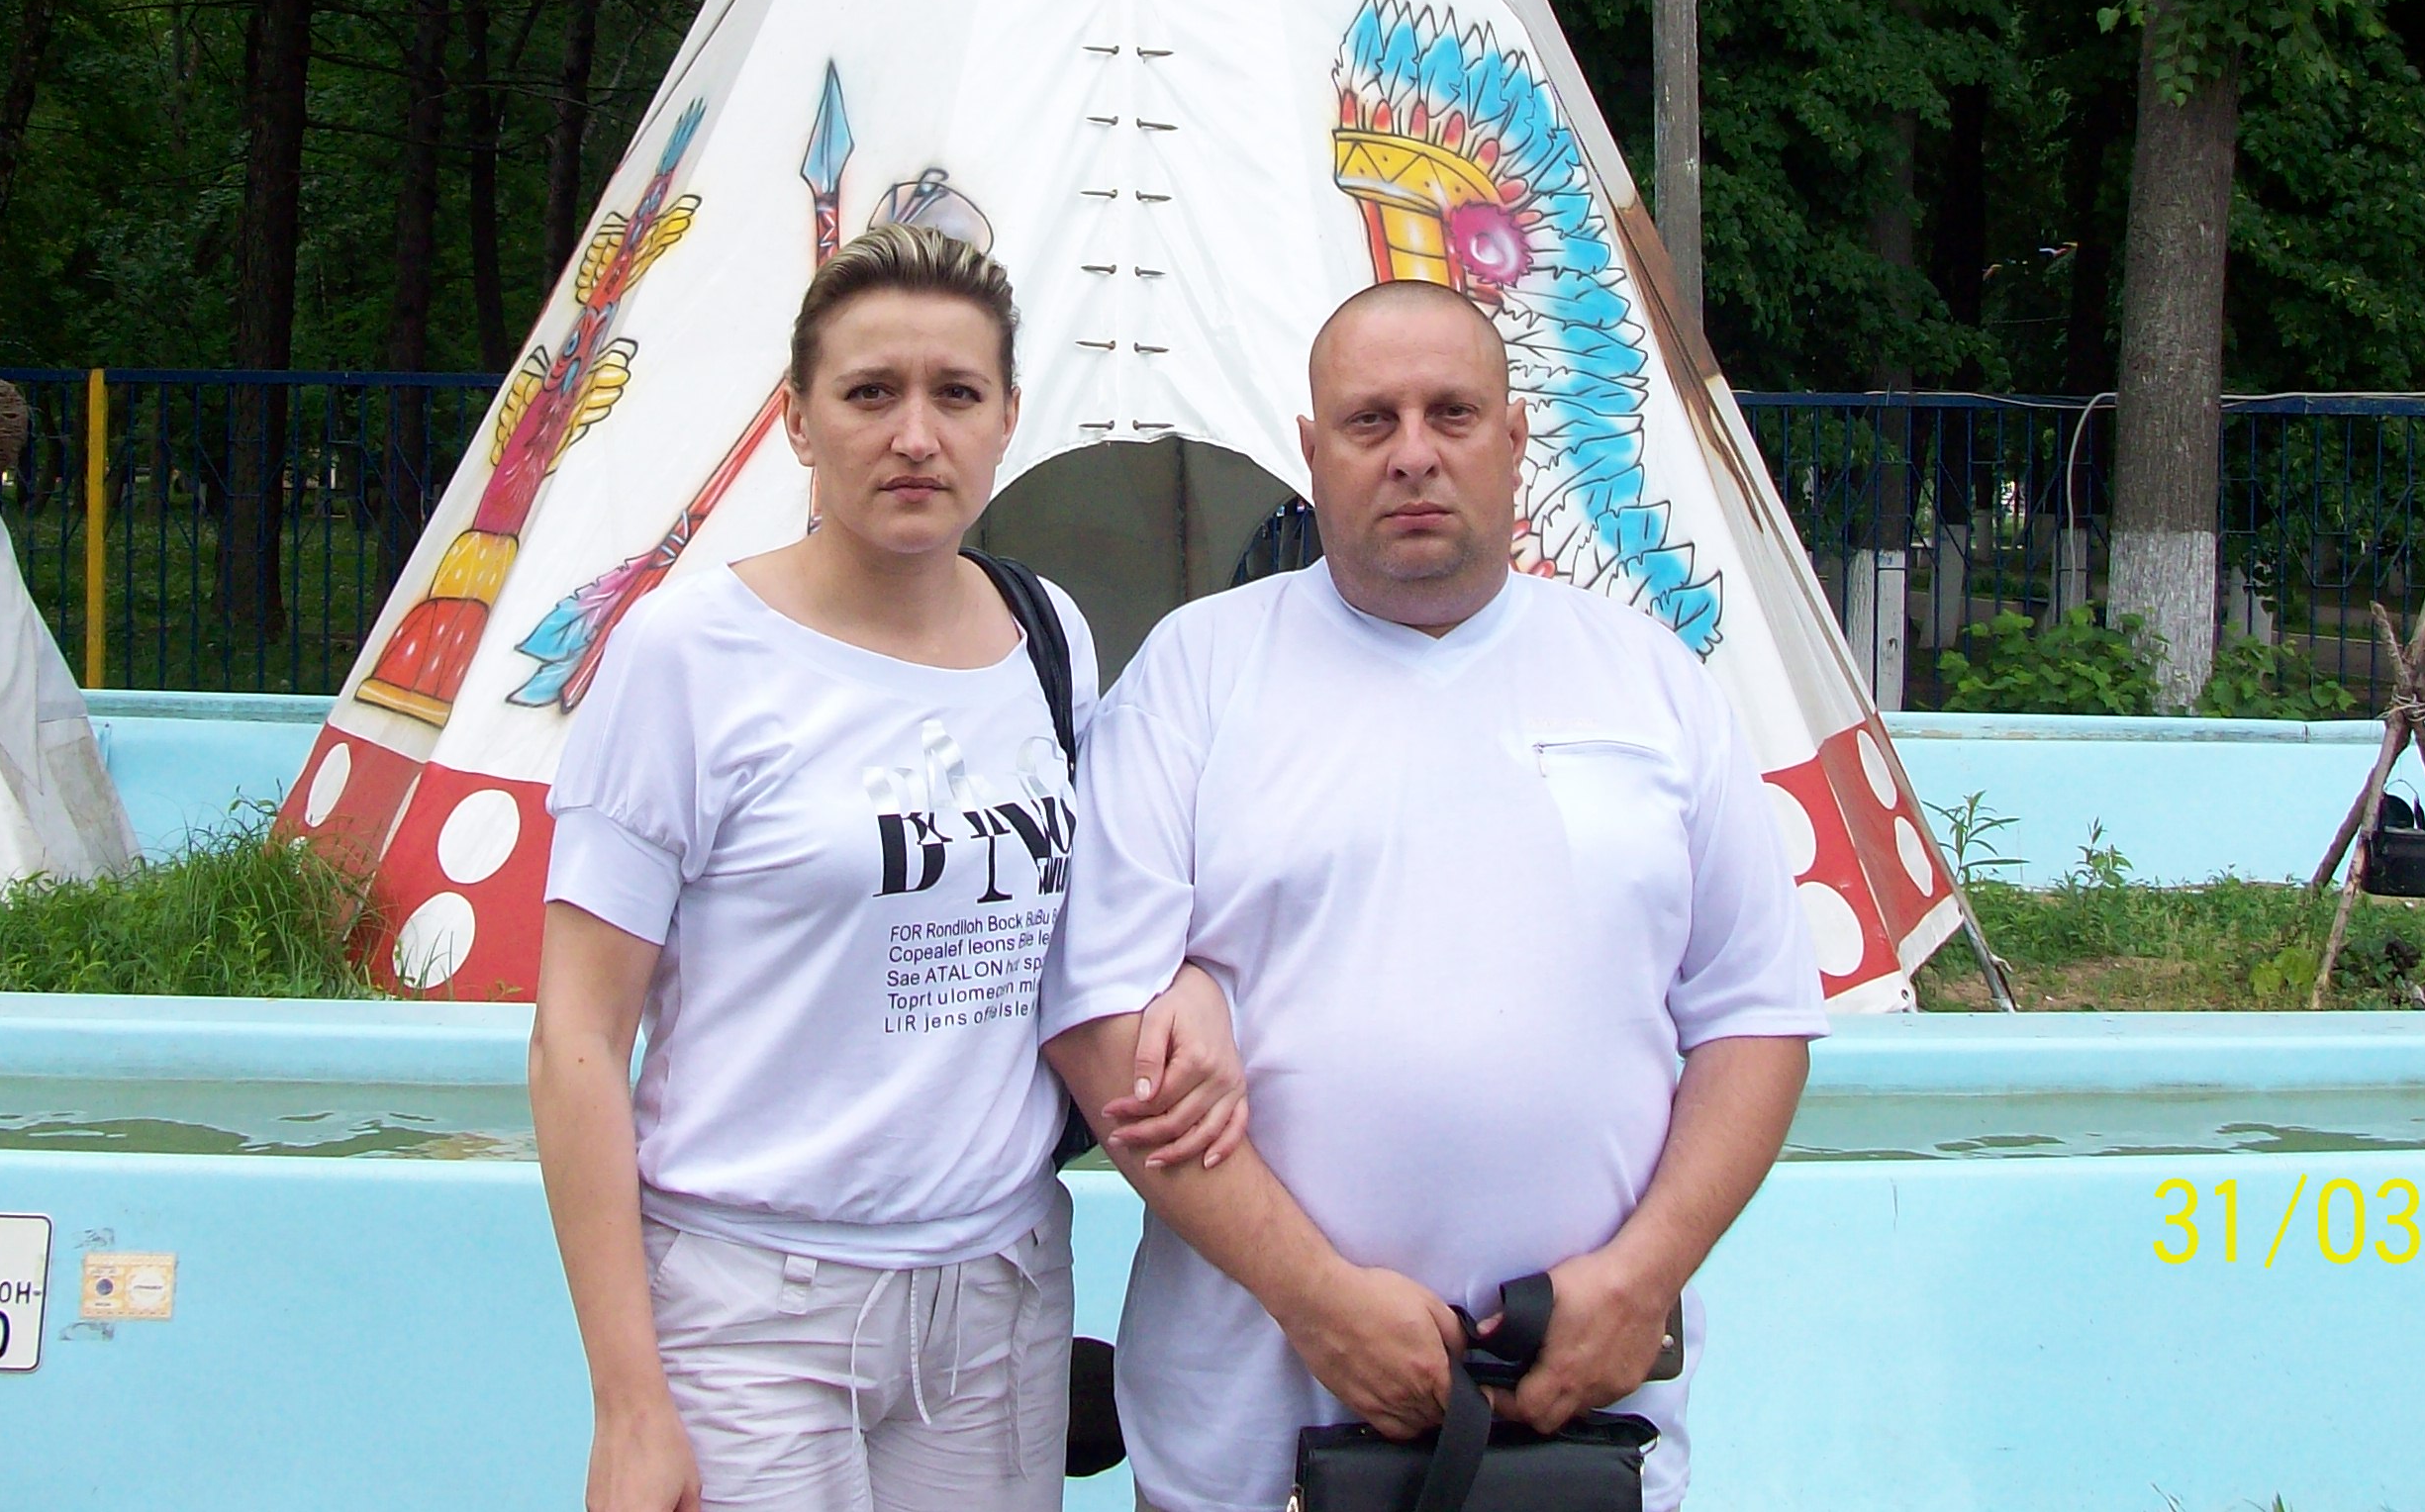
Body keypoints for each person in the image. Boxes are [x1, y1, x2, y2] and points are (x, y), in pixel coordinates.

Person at [1042, 277, 1825, 1512]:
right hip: (1251, 1430)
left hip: (1582, 1419)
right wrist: (1314, 1300)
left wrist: (1643, 1276)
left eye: (1451, 414)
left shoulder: (1652, 685)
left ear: (1513, 438)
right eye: (1370, 421)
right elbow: (1098, 1021)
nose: (1413, 453)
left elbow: (1754, 1015)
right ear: (1311, 451)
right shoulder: (1195, 676)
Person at [531, 224, 1247, 1512]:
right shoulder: (685, 659)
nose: (915, 436)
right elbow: (577, 1036)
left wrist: (1190, 982)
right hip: (752, 1307)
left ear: (1008, 417)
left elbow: (1112, 908)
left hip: (997, 1296)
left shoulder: (1047, 634)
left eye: (955, 394)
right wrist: (629, 1405)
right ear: (797, 420)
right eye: (870, 393)